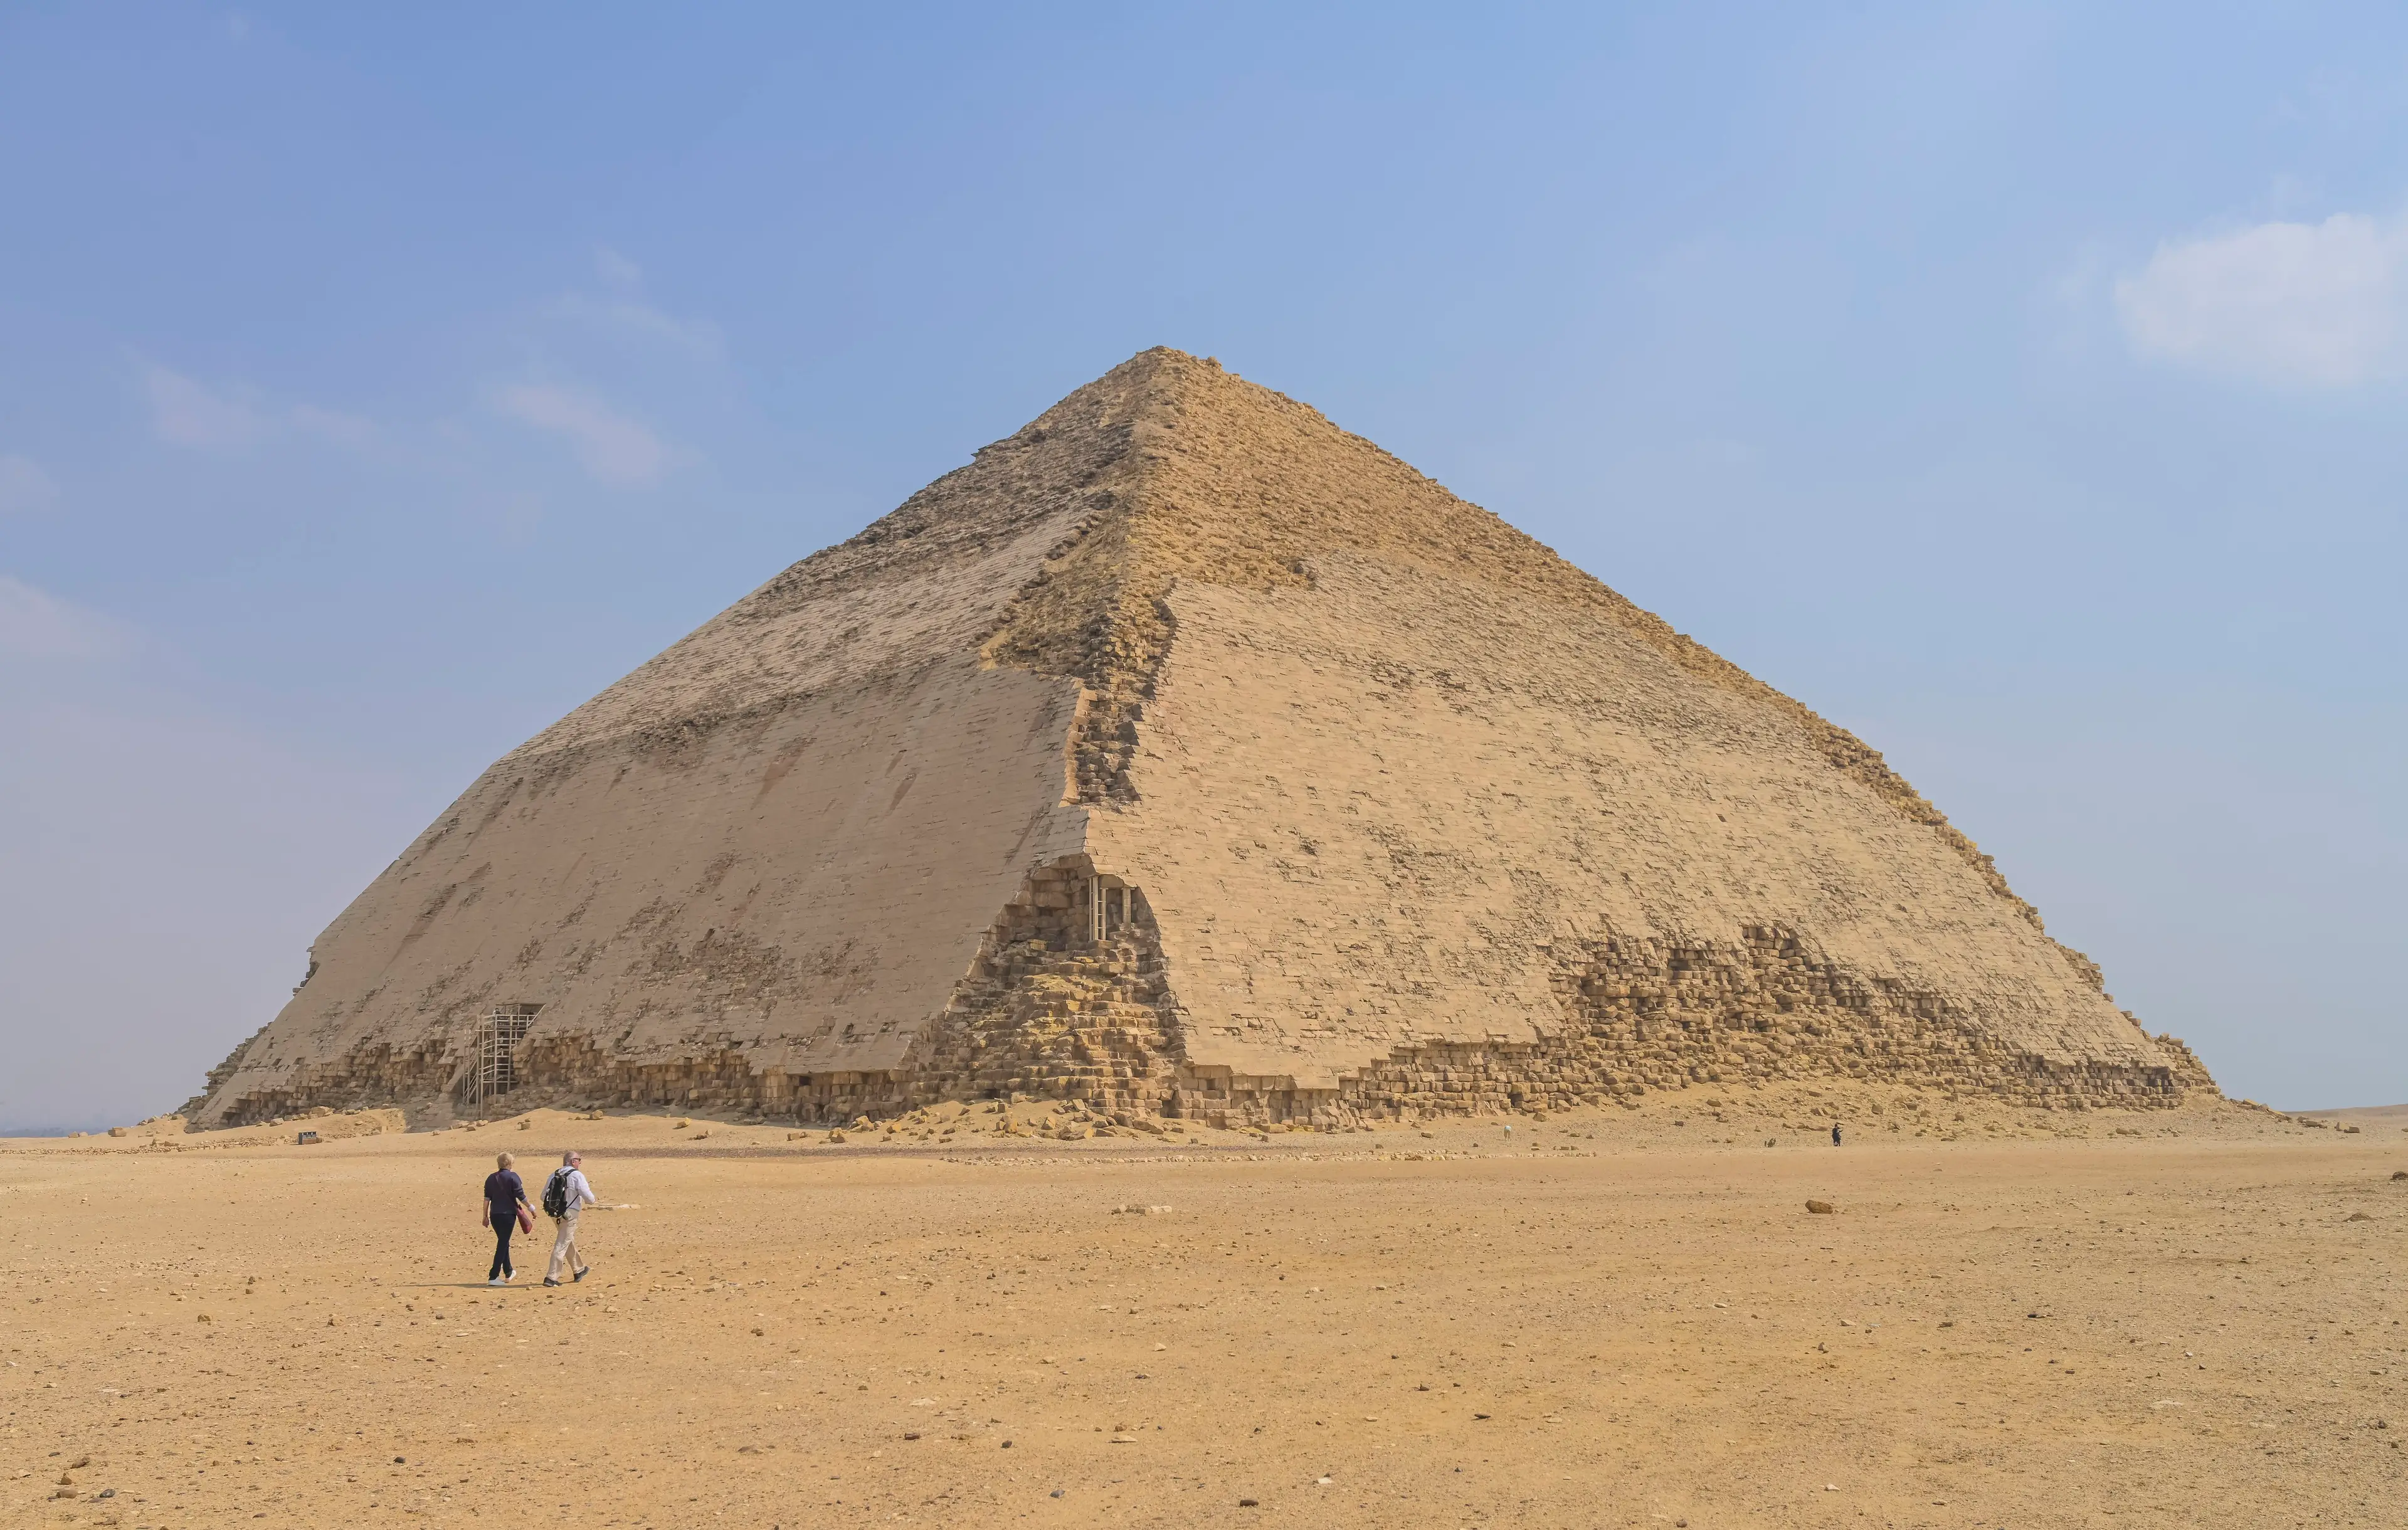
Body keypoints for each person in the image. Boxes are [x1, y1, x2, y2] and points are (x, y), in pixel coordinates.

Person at [541, 1149, 599, 1286]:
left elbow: (543, 1196)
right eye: (579, 1160)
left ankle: (579, 1270)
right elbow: (589, 1198)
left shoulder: (554, 1174)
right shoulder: (577, 1175)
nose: (580, 1163)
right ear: (573, 1161)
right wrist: (592, 1200)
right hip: (570, 1214)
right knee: (562, 1244)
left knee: (567, 1240)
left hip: (555, 1214)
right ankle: (551, 1277)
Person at [481, 1152, 531, 1286]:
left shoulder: (491, 1178)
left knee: (504, 1242)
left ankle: (508, 1271)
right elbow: (521, 1196)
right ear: (510, 1164)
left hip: (495, 1215)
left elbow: (487, 1199)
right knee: (503, 1244)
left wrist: (485, 1216)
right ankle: (493, 1276)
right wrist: (531, 1208)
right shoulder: (513, 1177)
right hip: (508, 1215)